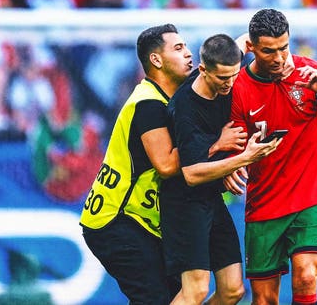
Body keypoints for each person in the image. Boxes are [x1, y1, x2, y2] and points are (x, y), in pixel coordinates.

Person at [225, 9, 317, 305]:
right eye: (269, 51)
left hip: (310, 196)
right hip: (264, 203)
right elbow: (235, 142)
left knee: (306, 275)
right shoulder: (239, 87)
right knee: (265, 298)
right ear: (251, 48)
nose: (280, 58)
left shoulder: (307, 71)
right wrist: (232, 161)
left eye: (284, 47)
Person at [160, 33, 282, 305]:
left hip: (211, 201)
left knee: (233, 290)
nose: (230, 84)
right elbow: (192, 174)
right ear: (202, 70)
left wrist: (251, 39)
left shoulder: (227, 72)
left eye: (234, 75)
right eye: (223, 78)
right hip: (184, 205)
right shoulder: (185, 107)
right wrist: (243, 158)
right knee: (196, 290)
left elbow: (238, 44)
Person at [79, 23, 193, 304]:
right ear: (156, 59)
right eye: (179, 48)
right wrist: (212, 141)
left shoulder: (164, 99)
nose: (189, 54)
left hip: (136, 220)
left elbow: (217, 67)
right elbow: (166, 165)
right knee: (155, 298)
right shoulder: (148, 104)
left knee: (176, 294)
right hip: (116, 219)